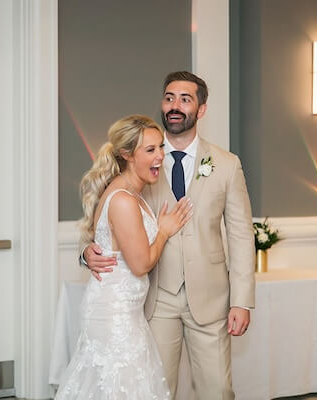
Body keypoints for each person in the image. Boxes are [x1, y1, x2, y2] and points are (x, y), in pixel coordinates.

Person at [83, 71, 255, 399]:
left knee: (218, 390)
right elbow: (102, 218)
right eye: (169, 97)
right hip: (155, 298)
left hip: (210, 298)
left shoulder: (226, 164)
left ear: (201, 110)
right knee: (157, 390)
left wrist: (242, 300)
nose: (175, 105)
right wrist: (86, 252)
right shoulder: (138, 156)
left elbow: (241, 235)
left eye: (185, 99)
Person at [55, 115, 193, 399]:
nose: (159, 158)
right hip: (114, 315)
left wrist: (86, 252)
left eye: (160, 148)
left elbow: (102, 241)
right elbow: (140, 264)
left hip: (125, 312)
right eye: (150, 150)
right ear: (127, 154)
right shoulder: (123, 200)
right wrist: (164, 231)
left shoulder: (130, 192)